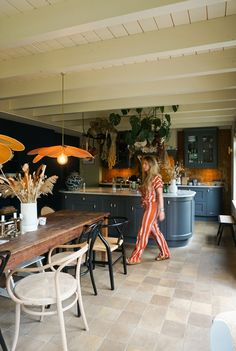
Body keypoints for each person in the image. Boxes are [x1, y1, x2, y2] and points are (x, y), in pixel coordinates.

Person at [127, 155, 170, 265]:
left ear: (151, 165)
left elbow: (160, 195)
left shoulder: (156, 178)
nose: (143, 166)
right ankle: (165, 252)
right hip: (147, 206)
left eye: (146, 163)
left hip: (153, 206)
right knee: (155, 231)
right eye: (143, 163)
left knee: (143, 231)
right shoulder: (147, 178)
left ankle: (136, 257)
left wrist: (162, 210)